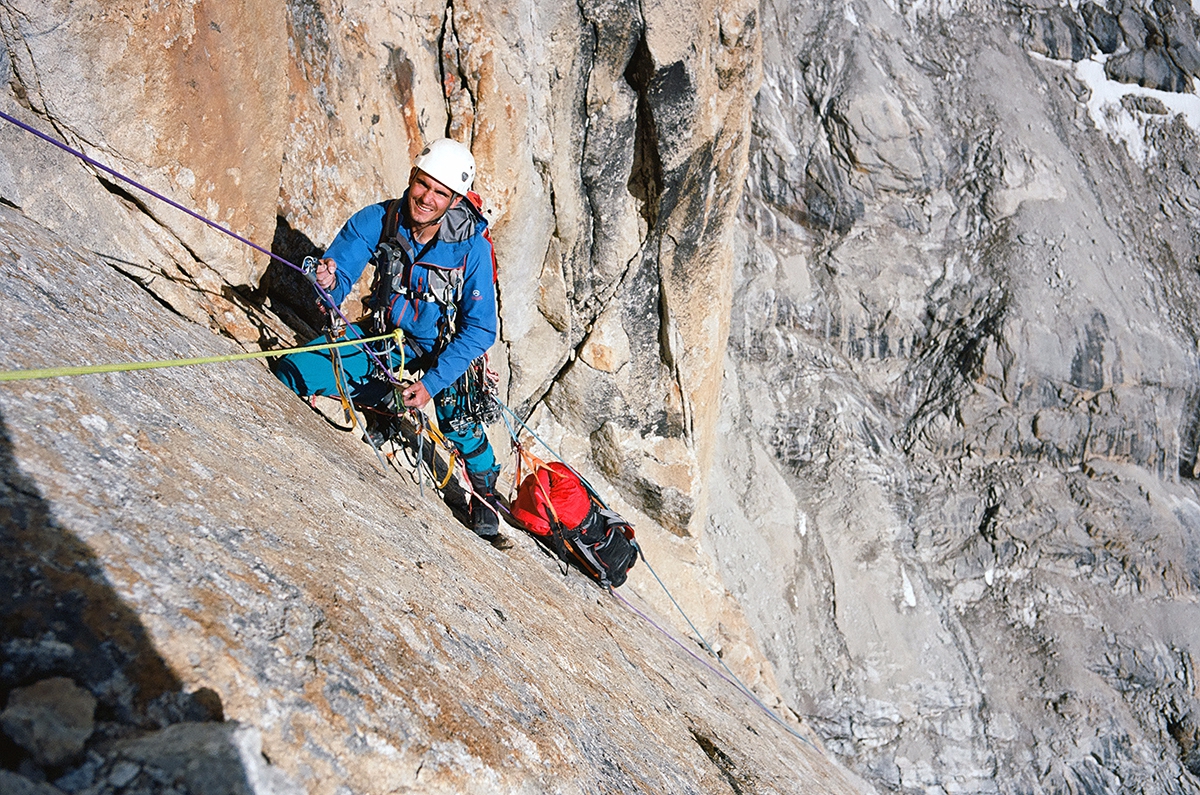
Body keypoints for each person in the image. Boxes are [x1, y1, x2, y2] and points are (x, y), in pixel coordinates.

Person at [273, 138, 508, 546]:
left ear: (454, 200)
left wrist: (431, 384)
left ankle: (485, 485)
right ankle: (382, 397)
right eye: (423, 184)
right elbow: (339, 274)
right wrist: (329, 282)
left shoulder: (472, 249)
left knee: (460, 426)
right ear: (412, 177)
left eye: (440, 192)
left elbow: (480, 330)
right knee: (292, 370)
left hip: (444, 349)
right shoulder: (379, 219)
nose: (427, 198)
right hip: (386, 336)